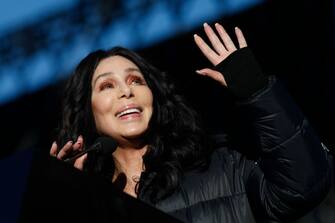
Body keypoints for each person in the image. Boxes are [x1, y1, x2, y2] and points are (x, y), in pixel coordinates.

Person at [49, 22, 331, 222]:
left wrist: (256, 89)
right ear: (87, 111)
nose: (126, 90)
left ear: (154, 98)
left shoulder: (219, 167)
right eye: (106, 86)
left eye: (137, 80)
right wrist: (59, 199)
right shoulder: (86, 205)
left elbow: (301, 186)